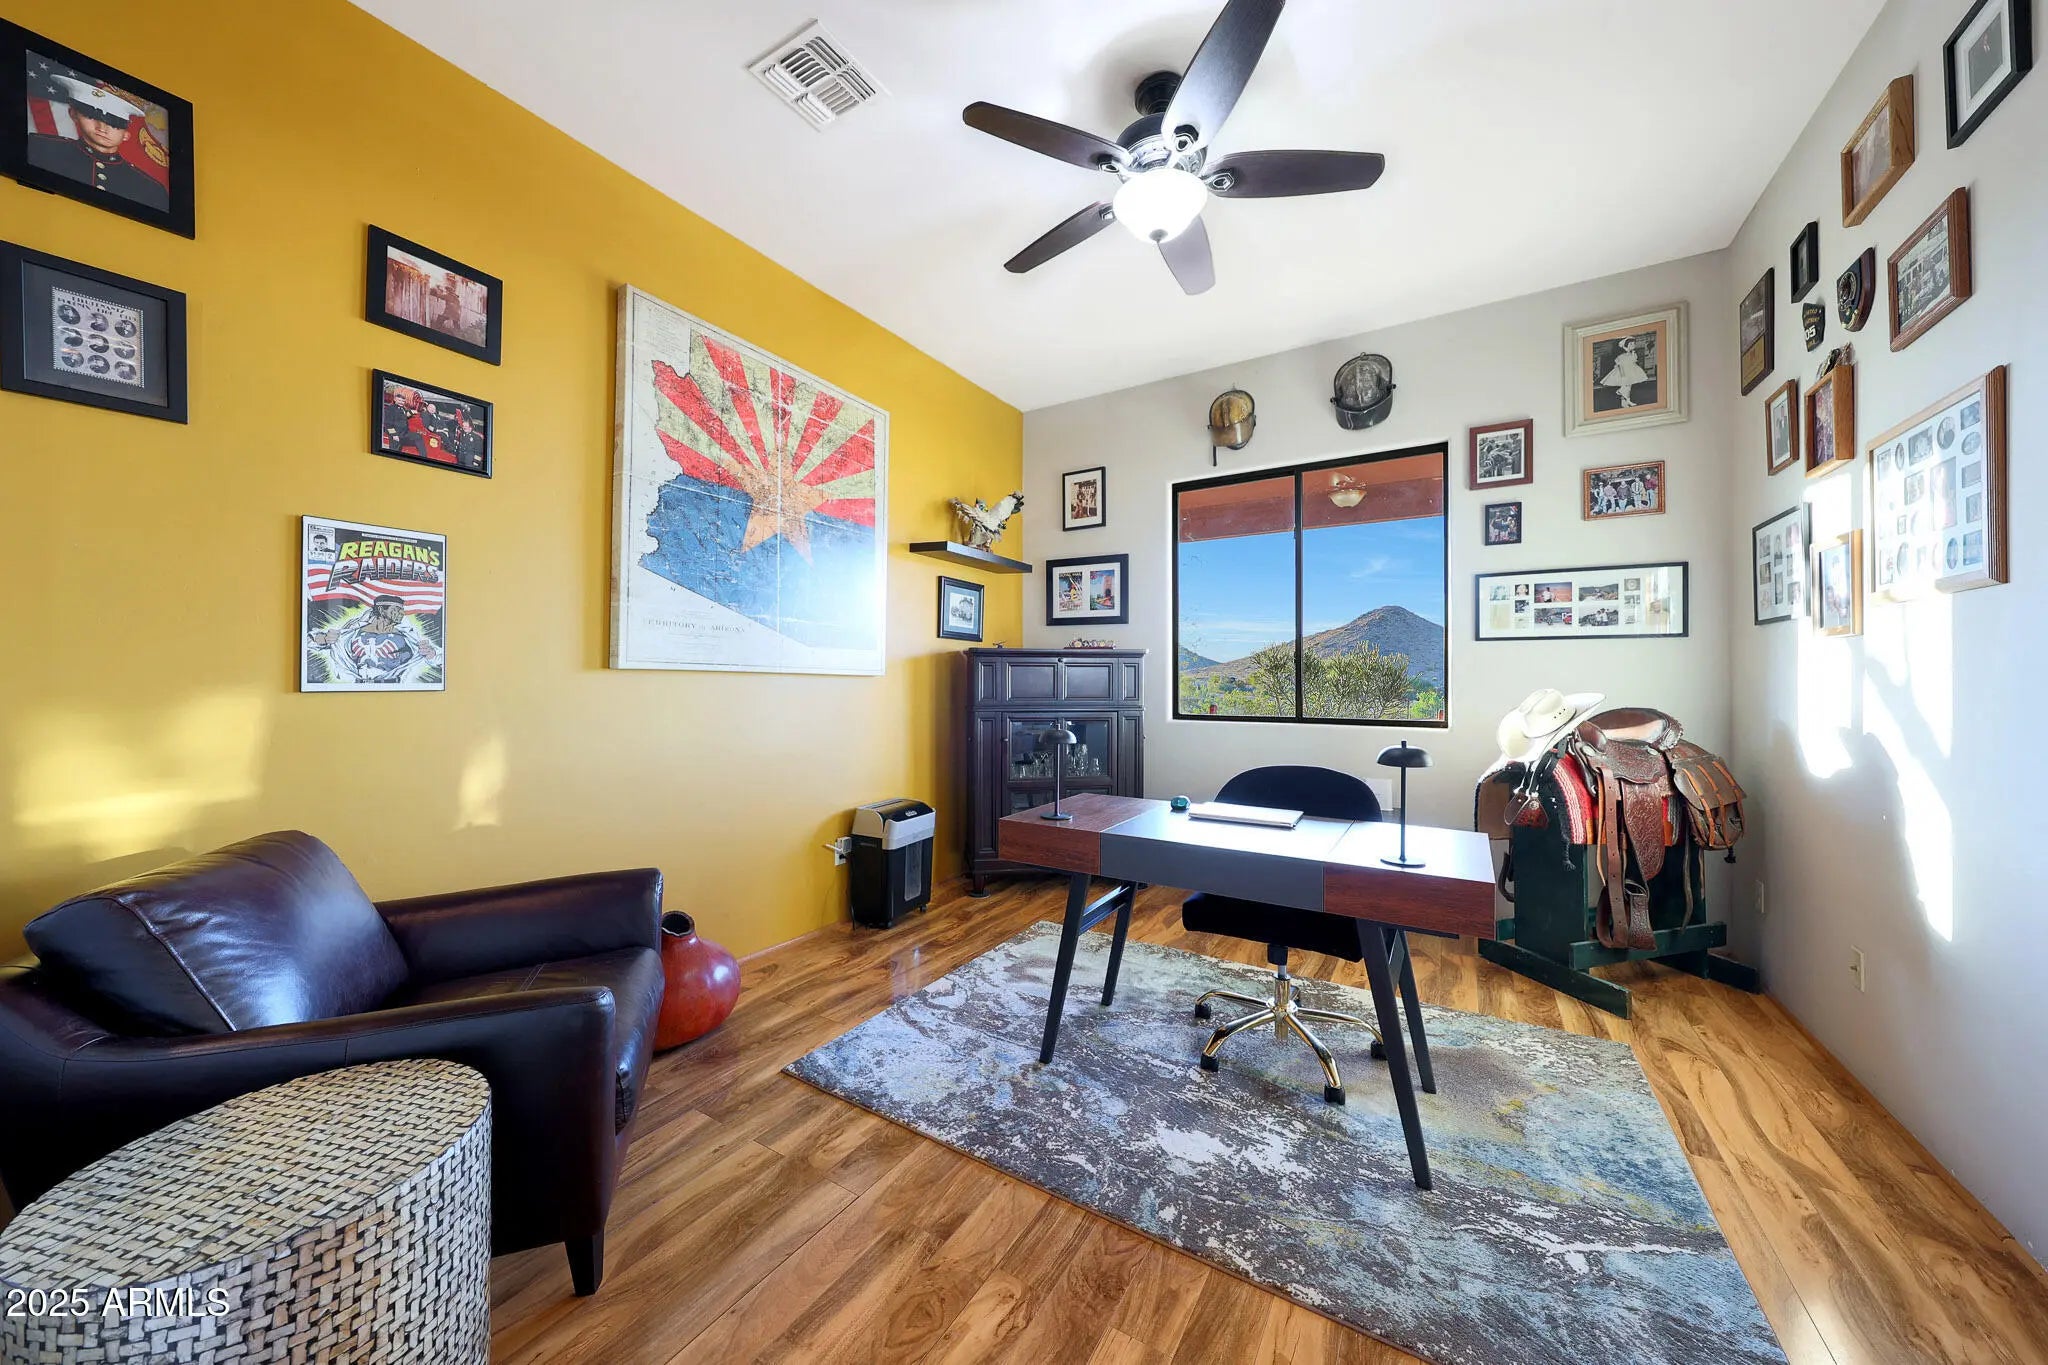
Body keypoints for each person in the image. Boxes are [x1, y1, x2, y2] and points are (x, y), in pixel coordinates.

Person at [25, 75, 169, 212]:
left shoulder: (150, 188)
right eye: (91, 116)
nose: (102, 128)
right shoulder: (39, 147)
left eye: (114, 123)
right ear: (73, 115)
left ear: (126, 134)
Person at [307, 595, 438, 685]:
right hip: (355, 690)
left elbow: (439, 658)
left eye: (402, 610)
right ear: (381, 610)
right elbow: (307, 641)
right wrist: (324, 638)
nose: (401, 613)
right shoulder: (352, 632)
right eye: (396, 610)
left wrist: (430, 653)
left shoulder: (408, 637)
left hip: (393, 691)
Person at [1600, 336, 1649, 409]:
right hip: (1624, 372)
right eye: (1631, 344)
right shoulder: (1622, 355)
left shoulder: (1632, 353)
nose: (1633, 345)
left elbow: (1634, 361)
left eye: (1634, 344)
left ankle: (1626, 400)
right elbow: (1620, 365)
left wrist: (1633, 355)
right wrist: (1623, 375)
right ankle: (1622, 395)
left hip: (1631, 371)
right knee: (1626, 386)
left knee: (1629, 386)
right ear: (1626, 345)